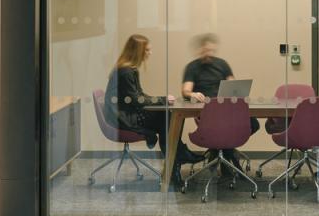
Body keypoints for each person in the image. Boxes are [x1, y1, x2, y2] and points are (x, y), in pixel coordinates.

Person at [105, 34, 194, 188]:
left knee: (169, 116)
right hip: (123, 118)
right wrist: (162, 100)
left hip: (126, 113)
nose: (149, 53)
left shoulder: (128, 69)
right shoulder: (126, 72)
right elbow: (136, 100)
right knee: (168, 117)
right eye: (147, 50)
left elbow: (138, 96)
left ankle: (176, 159)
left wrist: (162, 99)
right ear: (137, 52)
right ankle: (177, 160)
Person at [180, 33, 259, 170]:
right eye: (205, 50)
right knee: (221, 128)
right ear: (199, 50)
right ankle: (228, 155)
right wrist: (193, 93)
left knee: (253, 123)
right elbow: (185, 91)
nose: (208, 53)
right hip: (207, 111)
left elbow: (233, 85)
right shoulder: (192, 67)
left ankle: (218, 151)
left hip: (227, 109)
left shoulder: (222, 64)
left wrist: (236, 92)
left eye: (211, 50)